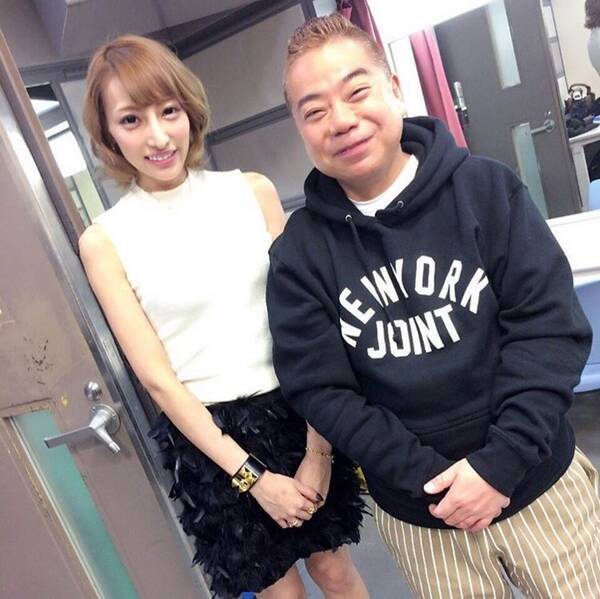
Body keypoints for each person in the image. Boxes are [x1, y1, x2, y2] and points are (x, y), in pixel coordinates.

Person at [266, 14, 600, 598]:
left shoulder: (487, 190)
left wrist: (499, 464)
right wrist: (434, 484)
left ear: (394, 87)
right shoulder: (298, 255)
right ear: (300, 127)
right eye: (314, 111)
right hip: (422, 516)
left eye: (356, 91)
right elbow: (323, 391)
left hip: (539, 482)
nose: (341, 120)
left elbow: (548, 330)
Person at [79, 34, 368, 599]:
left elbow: (309, 326)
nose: (158, 136)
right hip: (211, 441)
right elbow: (158, 380)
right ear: (109, 133)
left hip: (298, 409)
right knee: (281, 593)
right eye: (132, 119)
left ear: (189, 110)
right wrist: (253, 479)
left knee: (335, 571)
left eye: (168, 111)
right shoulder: (105, 239)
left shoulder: (251, 192)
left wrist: (318, 451)